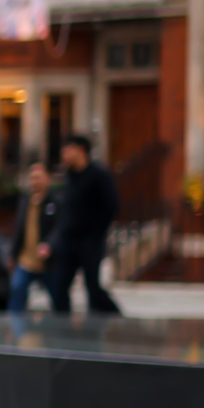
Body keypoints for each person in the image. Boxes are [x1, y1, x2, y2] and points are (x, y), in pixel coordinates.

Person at [43, 134, 123, 316]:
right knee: (59, 288)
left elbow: (112, 207)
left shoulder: (99, 175)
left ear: (80, 150)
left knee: (93, 289)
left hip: (90, 241)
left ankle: (117, 318)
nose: (63, 154)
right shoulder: (70, 176)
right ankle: (63, 331)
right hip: (68, 241)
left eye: (66, 149)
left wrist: (97, 233)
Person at [7, 161, 55, 319]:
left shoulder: (55, 202)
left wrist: (49, 245)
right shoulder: (25, 201)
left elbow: (60, 229)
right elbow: (19, 230)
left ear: (47, 179)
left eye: (38, 177)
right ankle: (15, 331)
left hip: (47, 262)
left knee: (58, 298)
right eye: (32, 177)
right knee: (17, 293)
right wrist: (13, 255)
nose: (34, 181)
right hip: (26, 259)